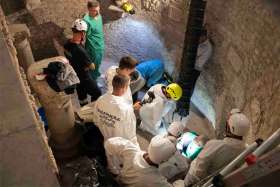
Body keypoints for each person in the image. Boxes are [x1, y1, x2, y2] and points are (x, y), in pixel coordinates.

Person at [182, 108, 250, 186]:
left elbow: (199, 168)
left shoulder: (215, 145)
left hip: (199, 181)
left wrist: (191, 183)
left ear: (230, 128)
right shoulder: (247, 150)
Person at [104, 135, 184, 187]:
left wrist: (113, 169)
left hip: (119, 180)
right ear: (165, 160)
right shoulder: (156, 180)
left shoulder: (131, 150)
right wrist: (181, 182)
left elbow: (108, 143)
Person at [176, 28, 213, 118]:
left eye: (200, 38)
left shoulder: (207, 48)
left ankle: (183, 110)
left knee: (188, 89)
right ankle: (179, 103)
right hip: (191, 67)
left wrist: (192, 58)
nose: (198, 41)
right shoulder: (201, 43)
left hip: (195, 70)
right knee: (183, 85)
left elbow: (198, 62)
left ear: (204, 37)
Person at [92, 74, 139, 145]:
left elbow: (96, 120)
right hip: (120, 143)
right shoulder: (126, 108)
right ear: (125, 88)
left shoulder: (101, 99)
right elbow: (130, 133)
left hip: (105, 137)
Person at [64, 19, 101, 106]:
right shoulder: (80, 51)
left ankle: (83, 110)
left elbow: (70, 56)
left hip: (75, 75)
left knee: (82, 96)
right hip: (84, 77)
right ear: (82, 33)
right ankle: (92, 109)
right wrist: (91, 63)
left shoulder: (66, 44)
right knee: (97, 93)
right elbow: (92, 67)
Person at [84, 0, 105, 80]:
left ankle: (97, 73)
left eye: (98, 10)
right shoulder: (86, 21)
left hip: (100, 44)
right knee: (93, 65)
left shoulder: (99, 16)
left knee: (98, 61)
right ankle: (93, 79)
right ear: (88, 9)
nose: (96, 12)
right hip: (93, 47)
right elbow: (86, 35)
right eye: (94, 11)